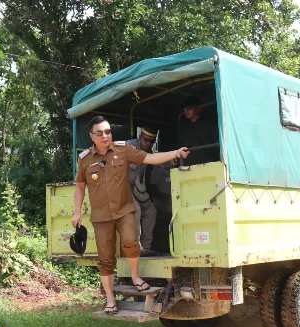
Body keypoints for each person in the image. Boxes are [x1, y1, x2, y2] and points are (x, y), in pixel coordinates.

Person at [72, 116, 189, 314]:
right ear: (92, 136)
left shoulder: (123, 149)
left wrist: (174, 153)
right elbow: (80, 185)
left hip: (125, 209)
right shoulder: (84, 159)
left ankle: (135, 277)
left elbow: (149, 158)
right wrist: (77, 212)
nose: (105, 136)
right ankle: (110, 299)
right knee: (106, 259)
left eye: (108, 131)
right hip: (101, 216)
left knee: (130, 243)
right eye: (99, 133)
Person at [127, 126, 159, 257]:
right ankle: (136, 247)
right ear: (140, 137)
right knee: (136, 210)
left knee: (151, 212)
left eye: (152, 141)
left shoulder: (150, 153)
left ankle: (146, 248)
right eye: (146, 140)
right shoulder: (128, 146)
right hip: (123, 188)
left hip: (137, 189)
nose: (148, 143)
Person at [178, 96, 220, 165]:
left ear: (198, 108)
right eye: (184, 108)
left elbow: (217, 144)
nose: (186, 110)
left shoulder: (210, 124)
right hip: (189, 166)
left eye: (189, 107)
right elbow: (180, 147)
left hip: (209, 164)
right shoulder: (184, 129)